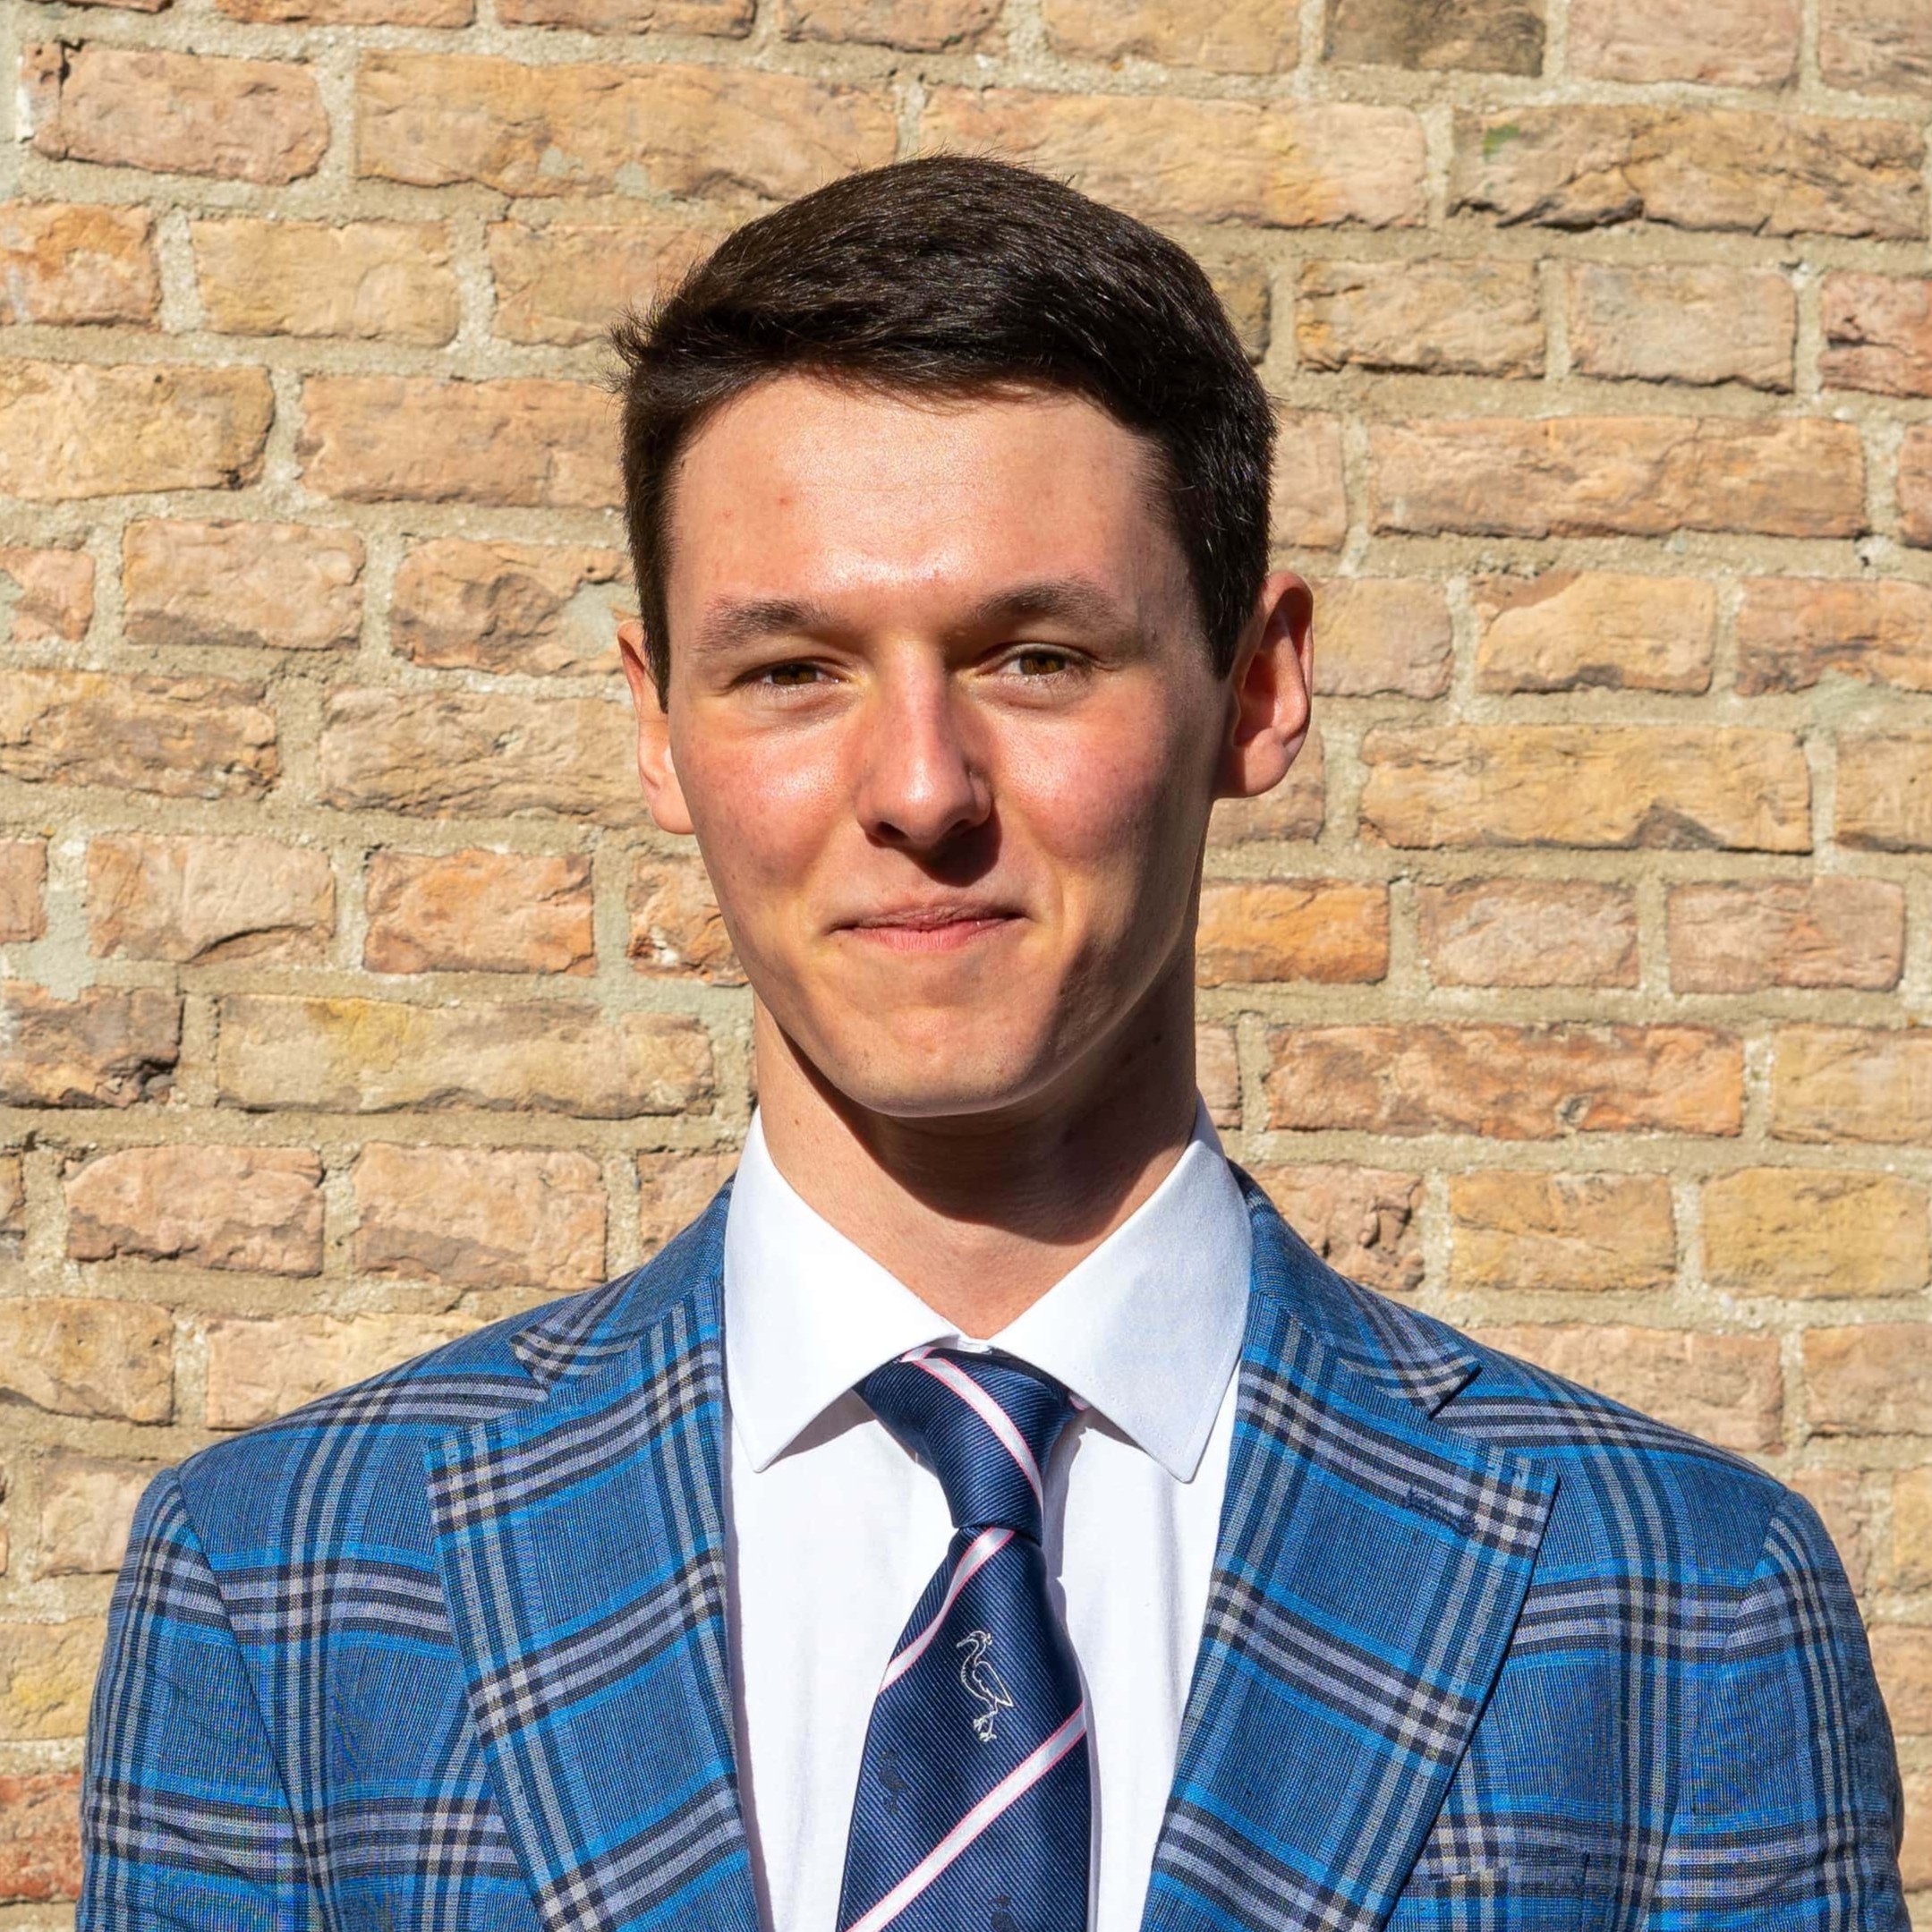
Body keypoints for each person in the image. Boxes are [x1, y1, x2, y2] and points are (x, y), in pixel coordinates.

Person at [80, 155, 1907, 1932]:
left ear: (1257, 686)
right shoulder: (289, 1584)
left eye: (1035, 657)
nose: (920, 788)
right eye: (791, 671)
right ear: (656, 725)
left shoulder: (1678, 1605)